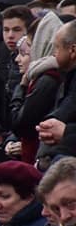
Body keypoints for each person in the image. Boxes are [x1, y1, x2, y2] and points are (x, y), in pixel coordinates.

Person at [7, 13, 63, 163]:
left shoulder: (48, 78)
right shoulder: (41, 75)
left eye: (30, 47)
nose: (18, 59)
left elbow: (20, 124)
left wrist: (22, 87)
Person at [36, 21, 76, 170]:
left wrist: (66, 132)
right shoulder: (68, 77)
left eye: (57, 47)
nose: (54, 53)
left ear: (72, 50)